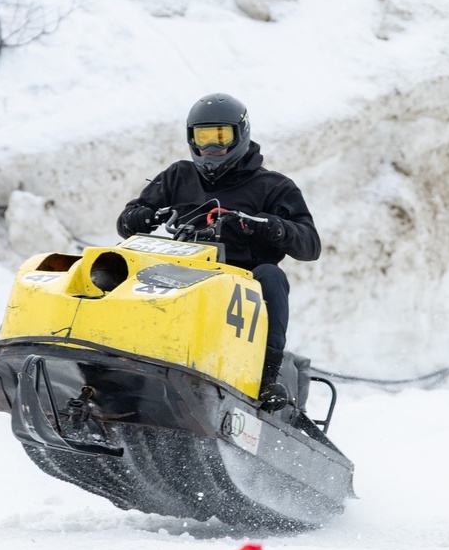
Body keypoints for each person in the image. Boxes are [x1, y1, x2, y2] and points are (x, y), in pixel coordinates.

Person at [116, 93, 321, 408]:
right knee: (120, 260)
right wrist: (142, 217)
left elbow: (310, 245)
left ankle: (265, 378)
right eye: (204, 137)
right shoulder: (178, 175)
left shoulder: (275, 187)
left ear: (241, 134)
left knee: (271, 275)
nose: (211, 148)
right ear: (191, 138)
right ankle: (116, 347)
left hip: (239, 282)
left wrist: (272, 227)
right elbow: (127, 221)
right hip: (178, 270)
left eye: (220, 137)